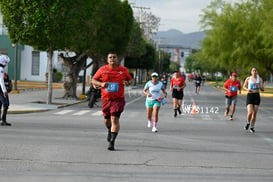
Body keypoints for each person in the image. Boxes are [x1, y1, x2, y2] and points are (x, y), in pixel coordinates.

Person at [92, 53, 133, 151]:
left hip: (118, 99)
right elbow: (94, 80)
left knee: (114, 119)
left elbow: (131, 80)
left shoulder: (123, 70)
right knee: (107, 120)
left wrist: (128, 83)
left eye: (114, 57)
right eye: (110, 57)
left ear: (117, 59)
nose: (112, 59)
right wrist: (101, 84)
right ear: (107, 60)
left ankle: (112, 142)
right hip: (106, 99)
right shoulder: (102, 69)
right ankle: (109, 131)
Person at [243, 67, 264, 133]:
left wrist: (259, 86)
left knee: (254, 113)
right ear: (251, 72)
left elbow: (263, 89)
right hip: (250, 95)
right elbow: (244, 86)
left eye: (255, 70)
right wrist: (247, 90)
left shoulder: (259, 79)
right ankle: (248, 122)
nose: (254, 72)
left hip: (256, 96)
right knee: (250, 112)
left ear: (257, 72)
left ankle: (252, 127)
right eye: (253, 70)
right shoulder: (248, 78)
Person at [0, 55, 11, 126]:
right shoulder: (0, 69)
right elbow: (1, 80)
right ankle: (3, 120)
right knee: (6, 104)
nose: (6, 64)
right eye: (6, 62)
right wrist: (4, 91)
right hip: (0, 89)